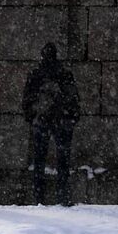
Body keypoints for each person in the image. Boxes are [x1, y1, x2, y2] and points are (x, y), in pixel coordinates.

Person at [22, 43, 80, 206]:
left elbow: (26, 100)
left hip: (41, 121)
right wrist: (73, 117)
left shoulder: (35, 74)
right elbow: (73, 97)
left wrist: (31, 117)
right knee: (63, 161)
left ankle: (38, 197)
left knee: (39, 161)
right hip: (62, 121)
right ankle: (63, 196)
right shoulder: (64, 74)